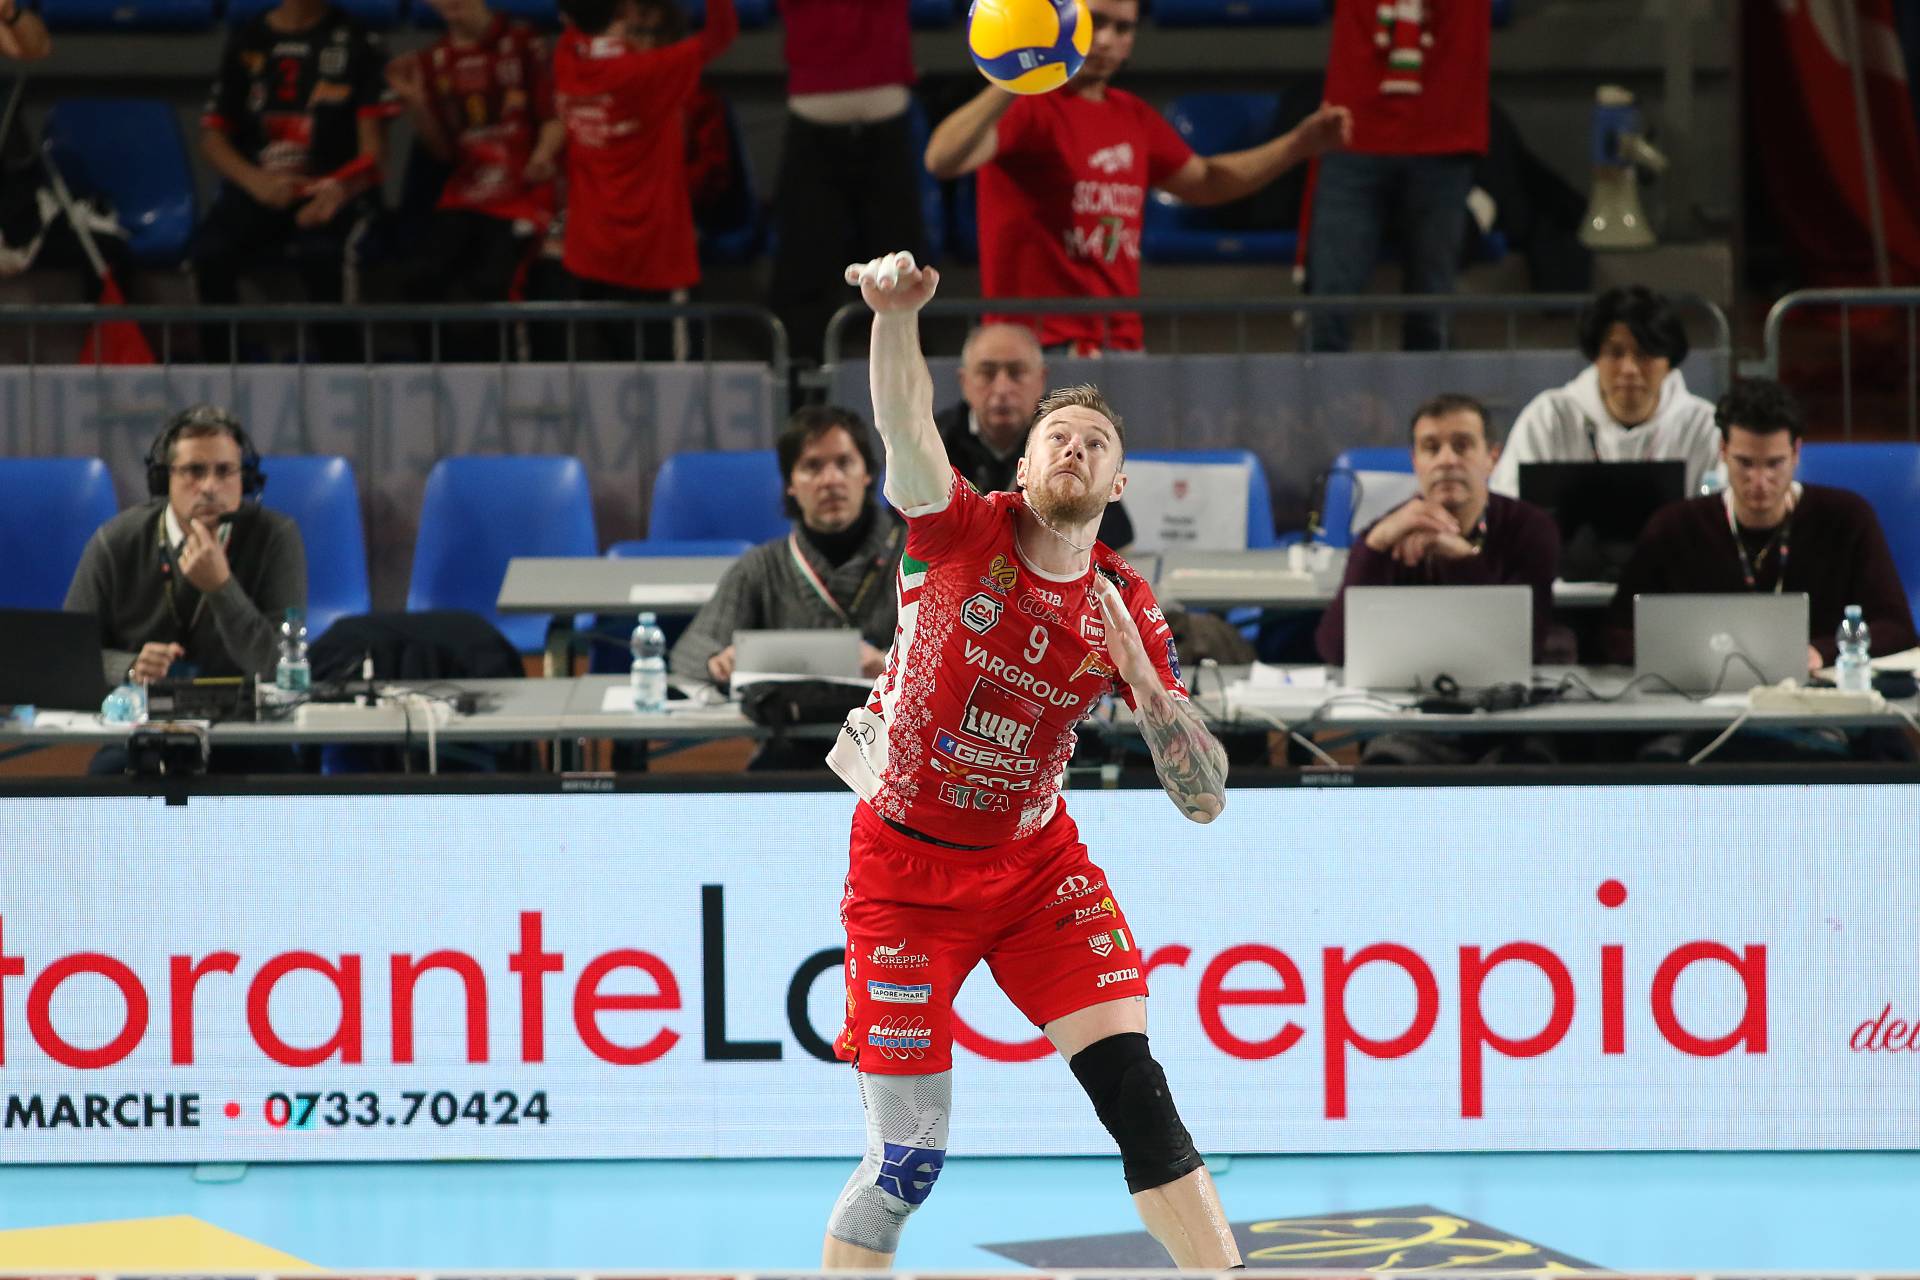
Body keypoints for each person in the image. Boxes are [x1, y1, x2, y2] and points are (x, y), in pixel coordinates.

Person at [821, 250, 1237, 1270]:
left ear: (1117, 482)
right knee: (905, 1166)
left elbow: (1205, 800)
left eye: (1096, 443)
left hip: (1037, 870)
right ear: (1022, 467)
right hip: (905, 872)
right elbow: (905, 429)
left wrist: (1147, 686)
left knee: (1141, 1101)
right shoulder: (959, 528)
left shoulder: (1125, 607)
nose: (1075, 450)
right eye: (1059, 437)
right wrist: (894, 318)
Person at [924, 0, 1349, 356]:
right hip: (1033, 351)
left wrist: (1298, 144)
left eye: (1122, 28)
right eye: (1094, 22)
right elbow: (942, 158)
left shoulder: (1133, 115)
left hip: (1121, 347)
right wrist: (1017, 75)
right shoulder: (1029, 108)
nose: (1106, 40)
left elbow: (1208, 181)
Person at [1604, 378, 1917, 672]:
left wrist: (1823, 652)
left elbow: (1897, 628)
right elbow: (1616, 634)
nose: (1759, 481)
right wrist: (1685, 657)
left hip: (1814, 692)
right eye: (1745, 463)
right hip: (1700, 695)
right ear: (1723, 452)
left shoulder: (1846, 519)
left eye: (1774, 464)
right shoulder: (1675, 527)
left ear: (1796, 453)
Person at [529, 0, 736, 361]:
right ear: (624, 13)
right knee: (673, 383)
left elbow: (577, 20)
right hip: (654, 259)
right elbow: (721, 35)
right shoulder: (649, 71)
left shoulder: (566, 58)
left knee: (608, 380)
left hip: (592, 255)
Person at [192, 0, 389, 361]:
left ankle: (342, 374)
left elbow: (373, 153)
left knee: (323, 257)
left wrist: (336, 188)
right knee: (210, 253)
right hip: (262, 188)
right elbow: (213, 139)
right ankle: (221, 371)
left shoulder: (360, 41)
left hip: (332, 190)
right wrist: (257, 182)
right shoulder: (248, 38)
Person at [1317, 392, 1560, 666]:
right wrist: (1374, 545)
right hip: (1402, 682)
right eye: (1431, 448)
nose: (1446, 460)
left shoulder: (1531, 528)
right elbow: (1335, 650)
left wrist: (1463, 559)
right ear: (1415, 462)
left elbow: (1523, 648)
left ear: (1492, 458)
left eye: (1462, 446)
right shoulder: (1390, 532)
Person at [671, 405, 902, 690]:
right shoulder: (763, 566)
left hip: (893, 716)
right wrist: (715, 661)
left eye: (844, 463)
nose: (831, 480)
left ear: (867, 474)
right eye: (812, 466)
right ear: (790, 483)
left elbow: (949, 653)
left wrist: (891, 664)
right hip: (792, 718)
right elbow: (689, 650)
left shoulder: (912, 556)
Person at [1304, 0, 1490, 352]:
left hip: (1443, 137)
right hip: (1353, 135)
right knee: (1328, 310)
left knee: (1432, 317)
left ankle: (1431, 392)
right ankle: (1317, 391)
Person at [384, 0, 554, 357]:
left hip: (520, 195)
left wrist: (542, 155)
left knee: (493, 282)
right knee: (418, 279)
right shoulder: (433, 60)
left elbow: (553, 118)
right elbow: (443, 151)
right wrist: (415, 102)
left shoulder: (522, 41)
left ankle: (509, 375)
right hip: (465, 195)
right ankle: (439, 373)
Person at [768, 0, 923, 366]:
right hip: (814, 127)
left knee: (899, 266)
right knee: (805, 266)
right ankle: (803, 379)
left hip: (885, 125)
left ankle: (907, 375)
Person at [1490, 286, 1722, 497]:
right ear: (1595, 358)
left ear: (1669, 362)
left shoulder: (1703, 425)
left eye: (1644, 354)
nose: (1629, 369)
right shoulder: (1549, 418)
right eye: (1615, 353)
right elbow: (1509, 500)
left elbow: (1717, 502)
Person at [934, 322, 1133, 548]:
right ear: (964, 382)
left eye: (1016, 373)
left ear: (1041, 379)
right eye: (987, 374)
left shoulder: (1069, 435)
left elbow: (1116, 535)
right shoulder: (938, 440)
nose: (1002, 388)